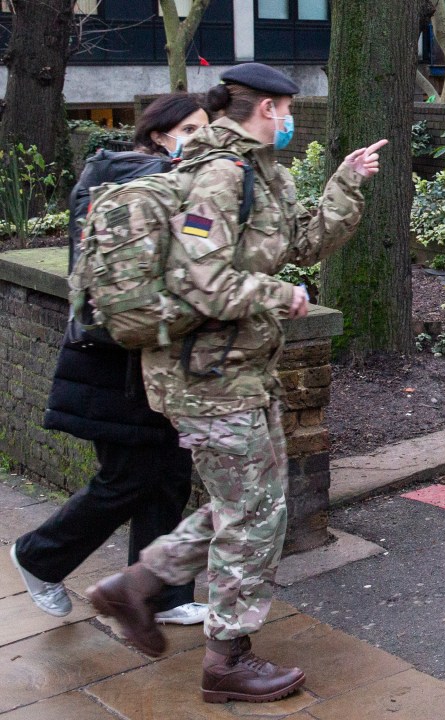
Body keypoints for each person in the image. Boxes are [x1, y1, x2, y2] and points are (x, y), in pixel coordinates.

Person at [83, 62, 386, 704]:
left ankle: (132, 589)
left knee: (246, 505)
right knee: (253, 515)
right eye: (286, 110)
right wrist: (284, 296)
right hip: (208, 377)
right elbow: (205, 282)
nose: (290, 121)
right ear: (267, 109)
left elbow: (300, 242)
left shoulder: (257, 172)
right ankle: (227, 660)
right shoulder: (219, 175)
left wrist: (345, 183)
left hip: (240, 370)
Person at [10, 93, 211, 626]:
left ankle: (160, 594)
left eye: (205, 127)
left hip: (152, 361)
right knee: (125, 477)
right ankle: (37, 555)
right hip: (115, 363)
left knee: (169, 473)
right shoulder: (127, 185)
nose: (199, 137)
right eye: (190, 128)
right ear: (157, 136)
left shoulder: (169, 183)